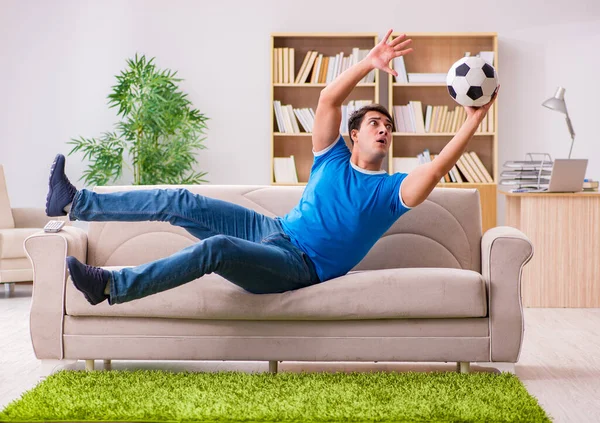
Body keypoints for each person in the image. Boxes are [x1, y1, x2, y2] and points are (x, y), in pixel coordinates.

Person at [46, 29, 497, 306]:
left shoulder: (391, 192)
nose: (383, 130)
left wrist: (473, 120)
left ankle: (111, 287)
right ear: (353, 135)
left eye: (388, 127)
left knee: (218, 248)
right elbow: (328, 100)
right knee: (179, 200)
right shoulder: (331, 157)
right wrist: (370, 62)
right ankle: (75, 202)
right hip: (270, 228)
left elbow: (435, 169)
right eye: (374, 123)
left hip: (296, 264)